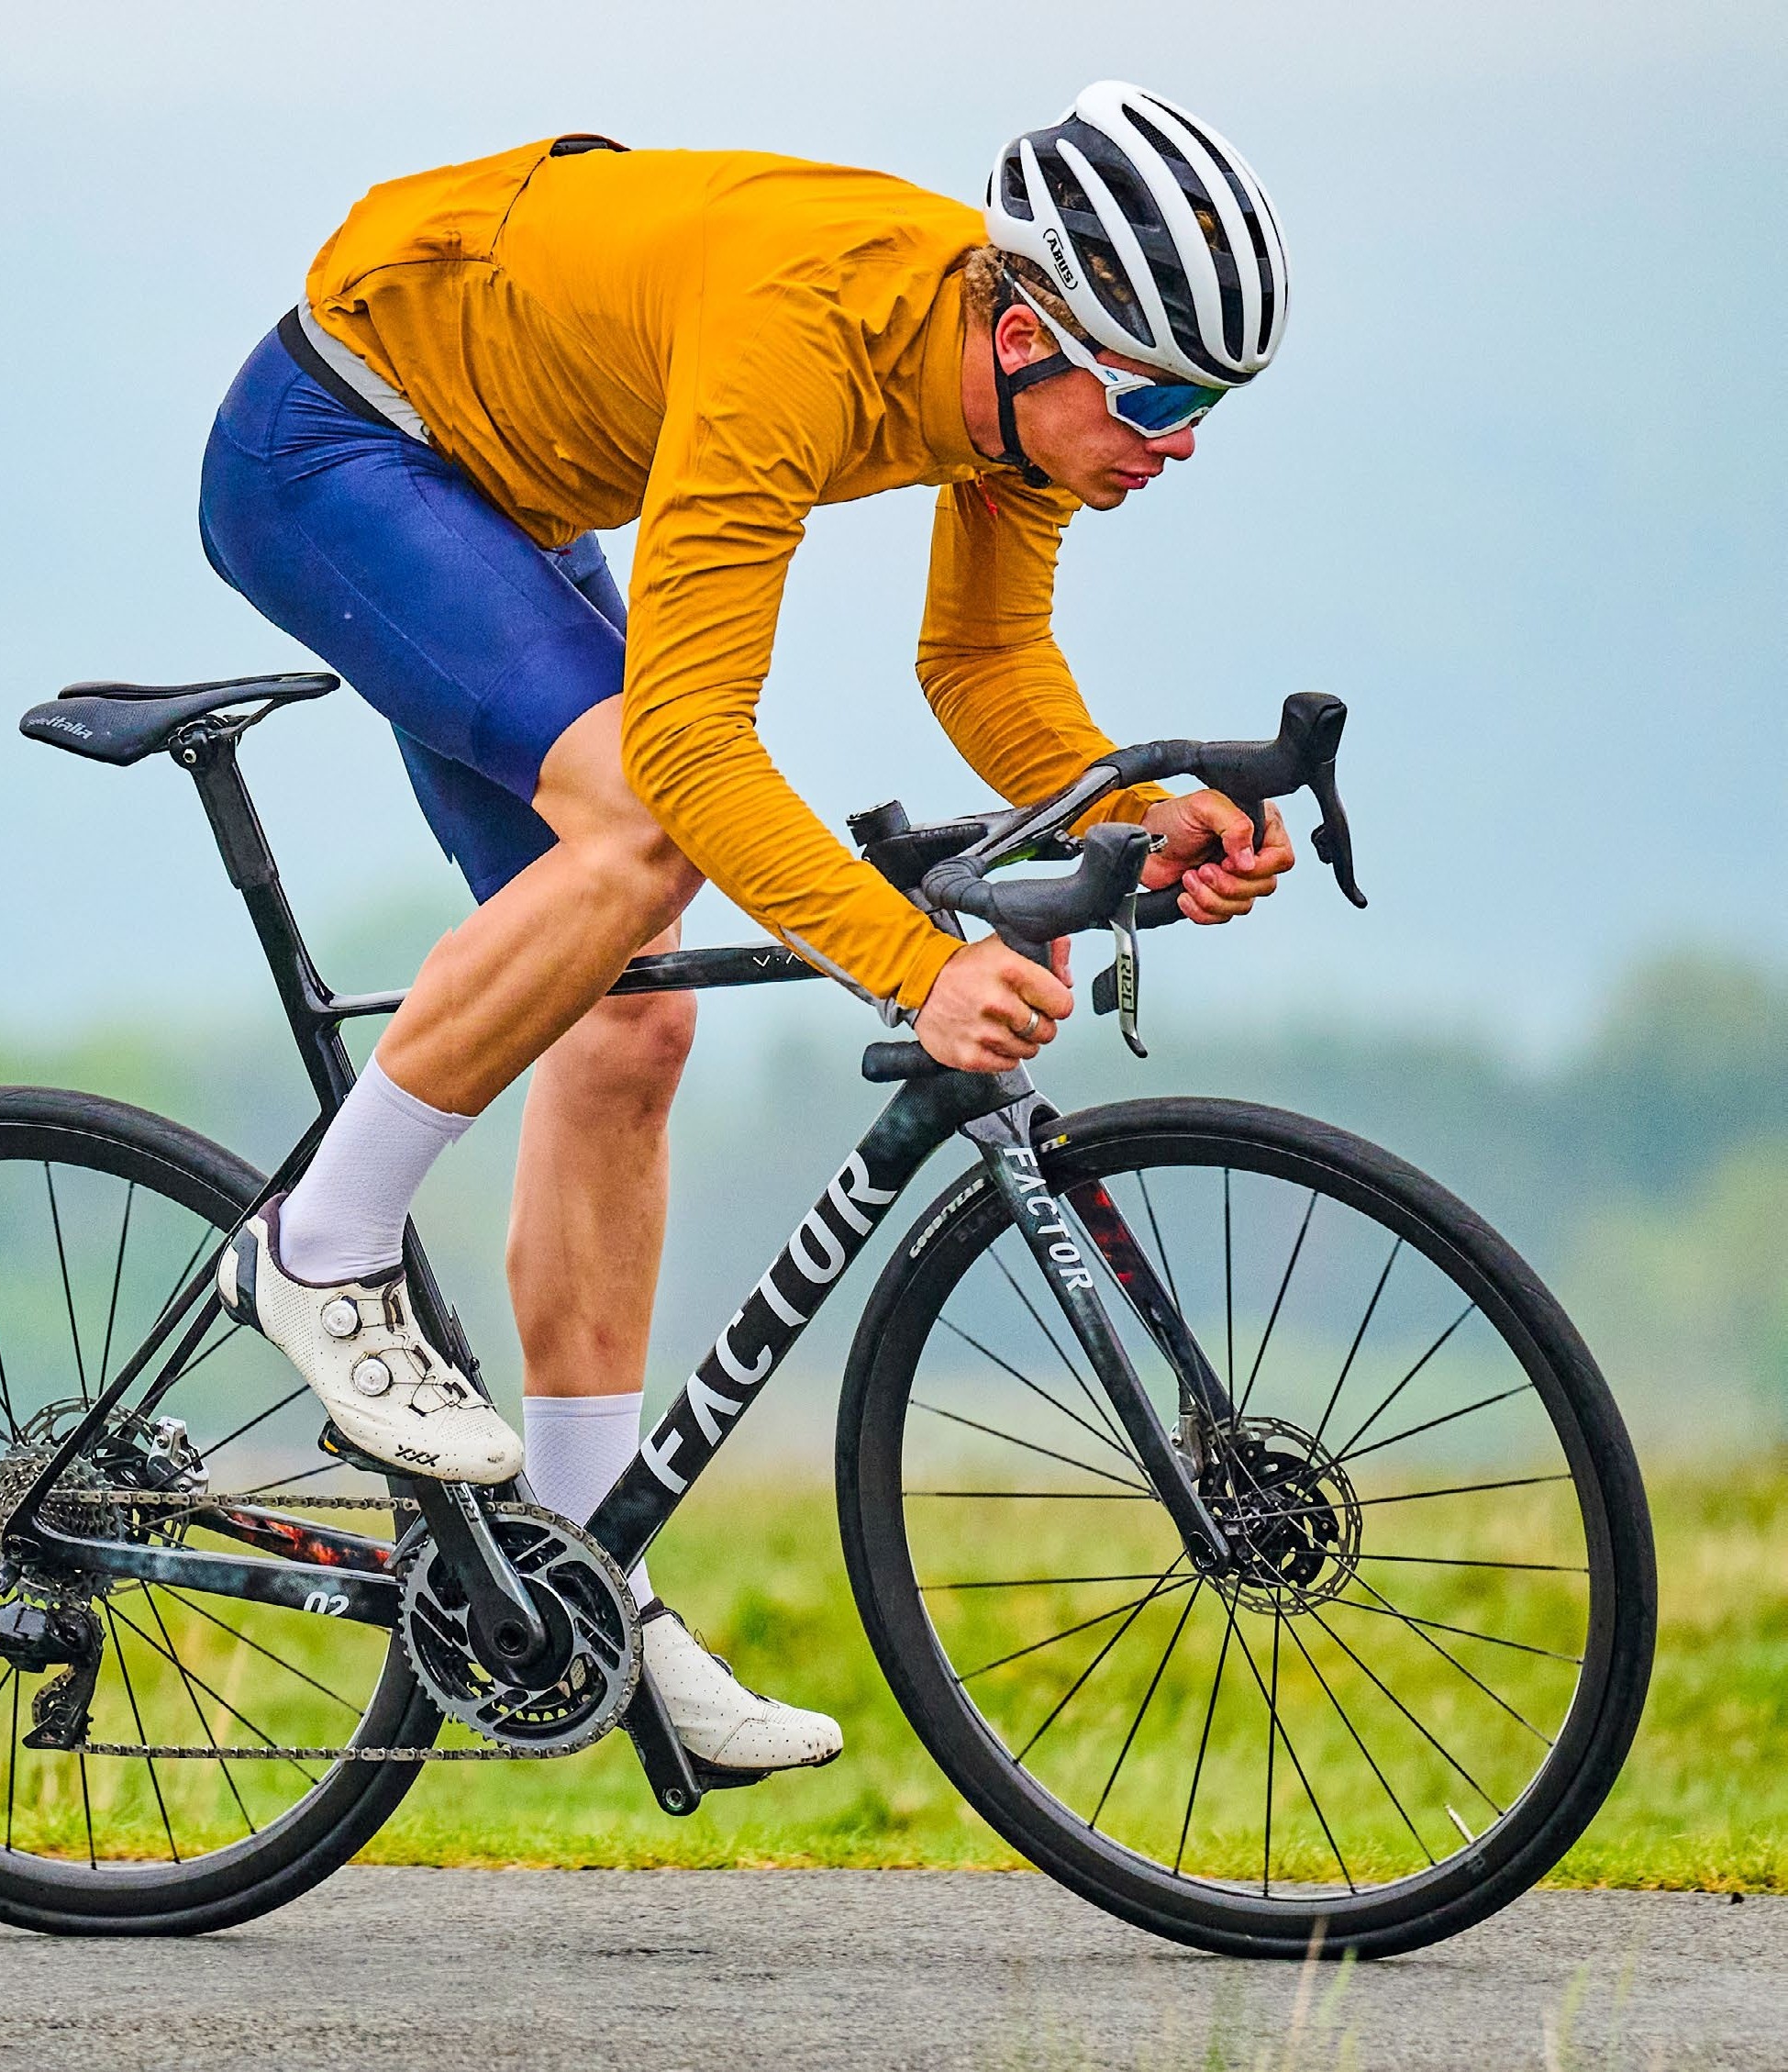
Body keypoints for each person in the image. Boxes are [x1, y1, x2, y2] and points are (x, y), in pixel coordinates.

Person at [198, 82, 1296, 1775]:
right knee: (642, 824)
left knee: (631, 1018)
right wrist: (920, 967)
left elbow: (983, 667)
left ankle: (572, 1576)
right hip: (336, 442)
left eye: (1208, 404)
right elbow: (697, 745)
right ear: (1026, 333)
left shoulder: (1008, 397)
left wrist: (1137, 816)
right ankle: (317, 1243)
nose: (1176, 438)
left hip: (497, 487)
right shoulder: (811, 331)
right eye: (1152, 391)